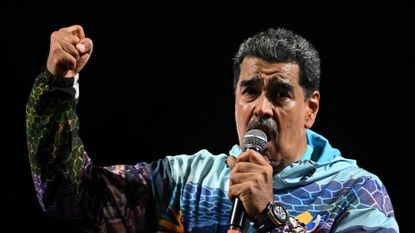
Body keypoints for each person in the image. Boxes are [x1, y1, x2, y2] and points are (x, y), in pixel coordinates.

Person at [26, 25, 399, 233]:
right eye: (250, 91)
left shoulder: (357, 193)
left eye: (281, 94)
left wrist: (270, 218)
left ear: (309, 109)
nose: (261, 108)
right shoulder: (187, 181)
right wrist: (58, 86)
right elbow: (71, 197)